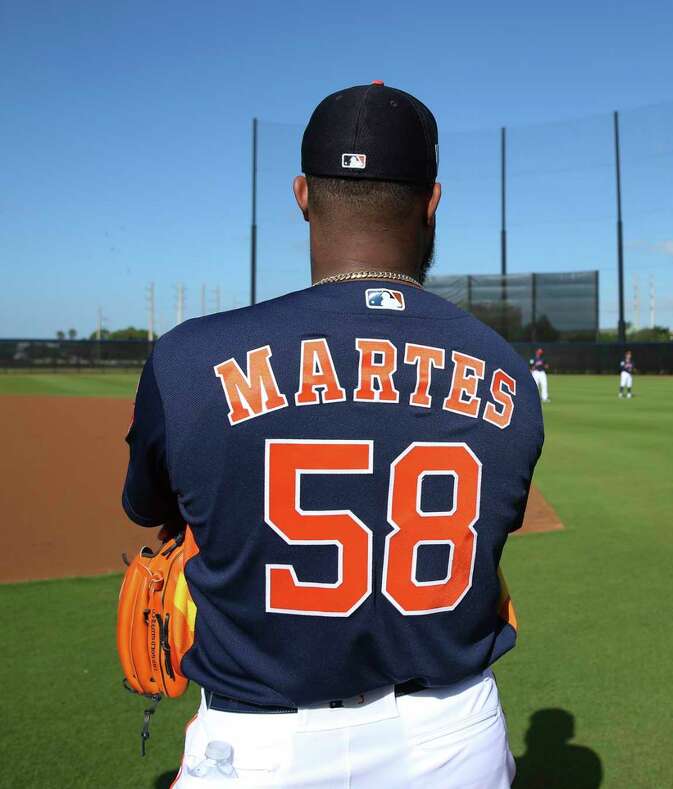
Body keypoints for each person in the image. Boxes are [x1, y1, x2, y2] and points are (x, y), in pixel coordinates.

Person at [122, 81, 543, 787]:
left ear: (300, 195)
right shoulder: (506, 373)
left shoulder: (189, 358)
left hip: (259, 743)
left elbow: (150, 508)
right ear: (433, 201)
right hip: (452, 737)